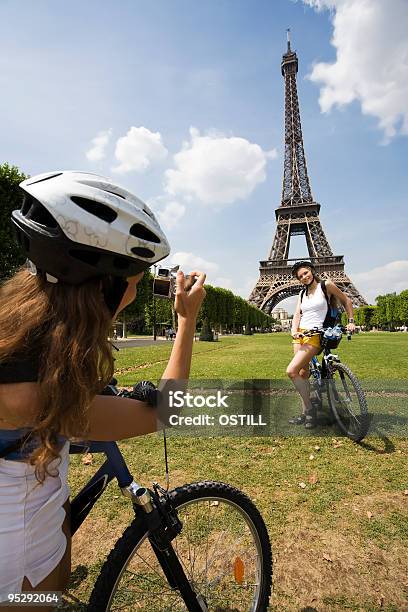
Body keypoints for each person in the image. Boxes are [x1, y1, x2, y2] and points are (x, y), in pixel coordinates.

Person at [0, 171, 206, 606]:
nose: (137, 289)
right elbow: (166, 411)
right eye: (133, 279)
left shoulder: (17, 343)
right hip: (21, 560)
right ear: (102, 288)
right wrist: (185, 322)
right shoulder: (41, 396)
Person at [287, 261, 356, 429]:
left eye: (305, 273)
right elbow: (297, 314)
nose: (304, 277)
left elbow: (346, 300)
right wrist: (294, 331)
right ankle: (306, 413)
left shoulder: (327, 285)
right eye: (300, 276)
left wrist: (351, 321)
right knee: (303, 373)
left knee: (291, 371)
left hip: (315, 335)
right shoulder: (302, 294)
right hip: (301, 335)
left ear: (311, 270)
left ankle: (310, 409)